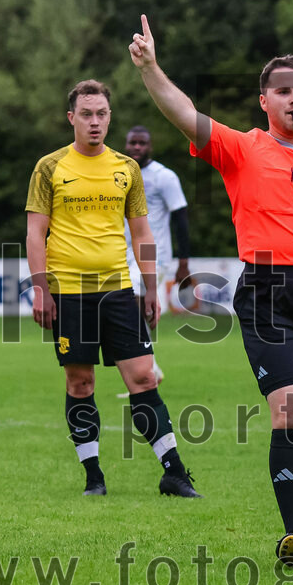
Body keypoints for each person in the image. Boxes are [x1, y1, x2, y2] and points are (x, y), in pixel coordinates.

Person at [128, 15, 293, 566]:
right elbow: (185, 116)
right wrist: (151, 68)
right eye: (284, 91)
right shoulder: (241, 148)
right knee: (288, 412)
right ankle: (292, 537)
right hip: (269, 290)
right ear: (264, 102)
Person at [25, 79, 201, 499]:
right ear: (72, 118)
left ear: (109, 118)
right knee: (80, 382)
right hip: (68, 291)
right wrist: (40, 289)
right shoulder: (49, 167)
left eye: (101, 114)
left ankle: (173, 473)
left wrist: (153, 287)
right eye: (86, 114)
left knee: (142, 376)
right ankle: (93, 477)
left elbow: (141, 233)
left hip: (120, 290)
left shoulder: (127, 168)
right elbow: (35, 234)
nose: (94, 122)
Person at [117, 125, 192, 396]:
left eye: (142, 143)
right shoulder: (119, 174)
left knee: (133, 299)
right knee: (127, 310)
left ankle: (146, 370)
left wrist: (184, 262)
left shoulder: (164, 177)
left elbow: (181, 218)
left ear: (150, 146)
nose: (137, 147)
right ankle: (149, 370)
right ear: (126, 145)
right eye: (132, 143)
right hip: (122, 254)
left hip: (153, 256)